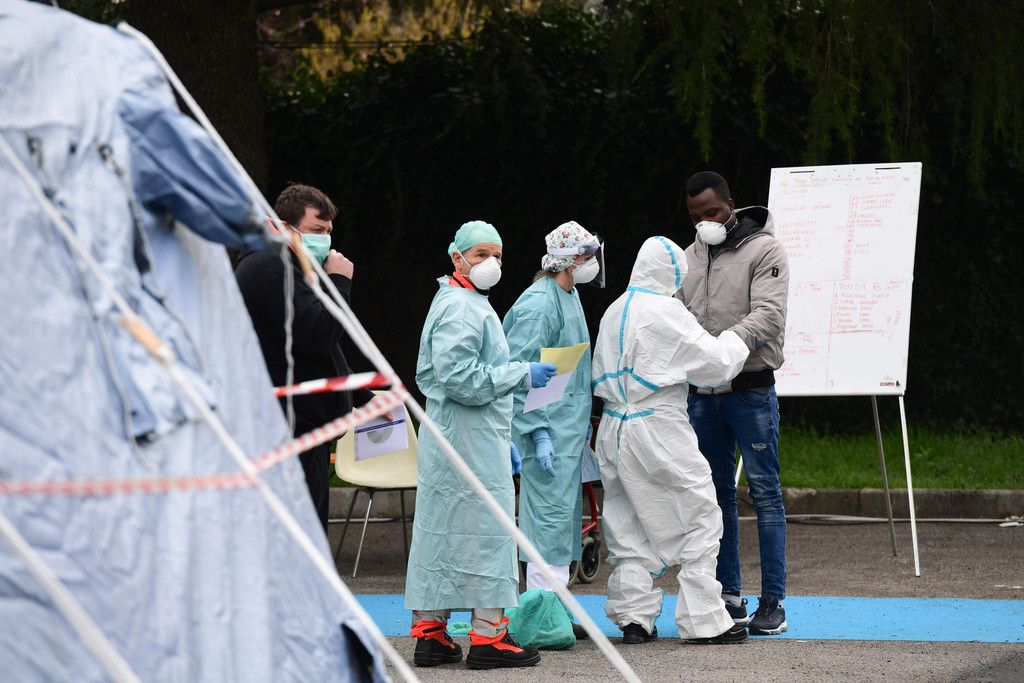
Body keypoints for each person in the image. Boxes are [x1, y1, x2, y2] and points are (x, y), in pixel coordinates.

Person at [404, 220, 556, 670]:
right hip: (469, 438)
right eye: (482, 254)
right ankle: (490, 637)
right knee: (489, 533)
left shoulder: (459, 300)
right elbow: (461, 378)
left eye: (498, 256)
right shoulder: (462, 307)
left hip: (459, 436)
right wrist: (521, 374)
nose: (492, 263)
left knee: (442, 532)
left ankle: (431, 634)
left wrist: (502, 435)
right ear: (458, 257)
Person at [592, 236, 750, 645]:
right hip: (656, 424)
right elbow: (714, 365)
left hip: (613, 426)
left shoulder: (614, 310)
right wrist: (738, 339)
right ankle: (703, 620)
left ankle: (634, 619)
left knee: (627, 522)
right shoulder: (665, 311)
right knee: (700, 512)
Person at [677, 171, 790, 635]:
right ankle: (729, 596)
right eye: (695, 216)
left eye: (712, 212)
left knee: (765, 493)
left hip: (750, 389)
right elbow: (677, 315)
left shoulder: (765, 250)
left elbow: (769, 314)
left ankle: (773, 602)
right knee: (715, 494)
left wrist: (725, 347)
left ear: (730, 204)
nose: (704, 222)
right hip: (704, 395)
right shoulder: (687, 257)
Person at [235, 183, 370, 533]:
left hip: (303, 427)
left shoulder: (287, 264)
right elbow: (318, 333)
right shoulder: (271, 265)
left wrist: (360, 395)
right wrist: (339, 283)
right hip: (288, 431)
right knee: (302, 540)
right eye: (316, 230)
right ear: (285, 226)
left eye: (328, 231)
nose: (325, 239)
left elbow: (315, 348)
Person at [502, 221, 599, 634]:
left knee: (560, 520)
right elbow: (517, 373)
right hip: (545, 430)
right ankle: (540, 614)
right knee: (546, 520)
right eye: (587, 254)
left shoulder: (567, 295)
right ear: (570, 258)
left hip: (565, 429)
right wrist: (537, 431)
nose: (593, 262)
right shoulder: (539, 305)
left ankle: (553, 607)